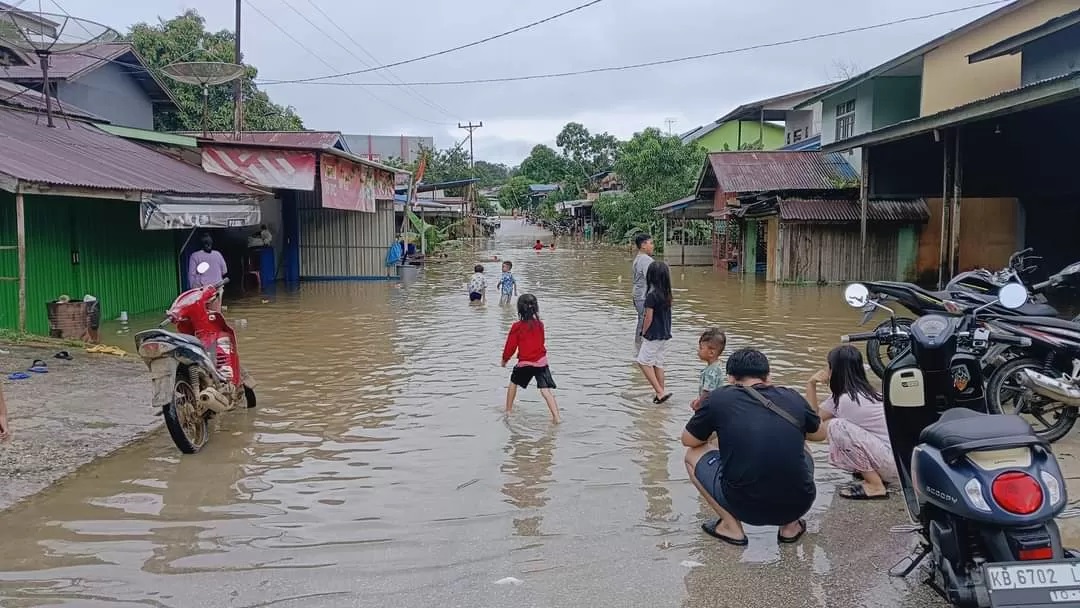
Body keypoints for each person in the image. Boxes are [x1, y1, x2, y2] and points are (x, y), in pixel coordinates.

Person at [683, 348, 820, 546]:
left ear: (730, 378)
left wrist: (717, 428)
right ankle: (790, 527)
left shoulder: (719, 398)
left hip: (744, 507)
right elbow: (818, 433)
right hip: (800, 503)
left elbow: (689, 440)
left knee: (692, 455)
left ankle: (731, 527)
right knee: (802, 443)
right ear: (768, 376)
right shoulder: (792, 396)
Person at [805, 345, 895, 500]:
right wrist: (811, 385)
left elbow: (814, 425)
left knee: (836, 427)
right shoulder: (857, 394)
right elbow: (815, 416)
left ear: (835, 370)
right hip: (895, 462)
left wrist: (811, 383)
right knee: (834, 425)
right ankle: (872, 475)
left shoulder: (848, 401)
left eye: (828, 366)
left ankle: (875, 485)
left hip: (892, 465)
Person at [501, 294, 561, 423]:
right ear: (535, 308)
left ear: (519, 309)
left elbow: (510, 346)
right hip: (541, 362)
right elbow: (541, 341)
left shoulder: (517, 326)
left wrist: (505, 359)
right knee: (546, 391)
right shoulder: (540, 325)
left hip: (525, 363)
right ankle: (557, 417)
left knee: (513, 383)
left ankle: (508, 411)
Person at [638, 260, 673, 404]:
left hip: (653, 335)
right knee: (658, 363)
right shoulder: (667, 294)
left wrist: (643, 332)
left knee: (643, 362)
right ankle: (661, 392)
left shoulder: (651, 296)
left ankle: (659, 392)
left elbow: (648, 318)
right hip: (664, 334)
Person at [691, 327, 727, 411]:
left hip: (709, 406)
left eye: (701, 348)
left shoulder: (711, 371)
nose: (698, 351)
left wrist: (699, 403)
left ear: (711, 353)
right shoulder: (717, 366)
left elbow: (707, 392)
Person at [631, 233, 655, 349]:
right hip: (643, 296)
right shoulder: (646, 260)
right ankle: (640, 346)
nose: (653, 246)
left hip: (638, 295)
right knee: (645, 320)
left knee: (642, 320)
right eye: (651, 243)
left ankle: (638, 346)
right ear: (643, 245)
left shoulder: (638, 258)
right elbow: (652, 279)